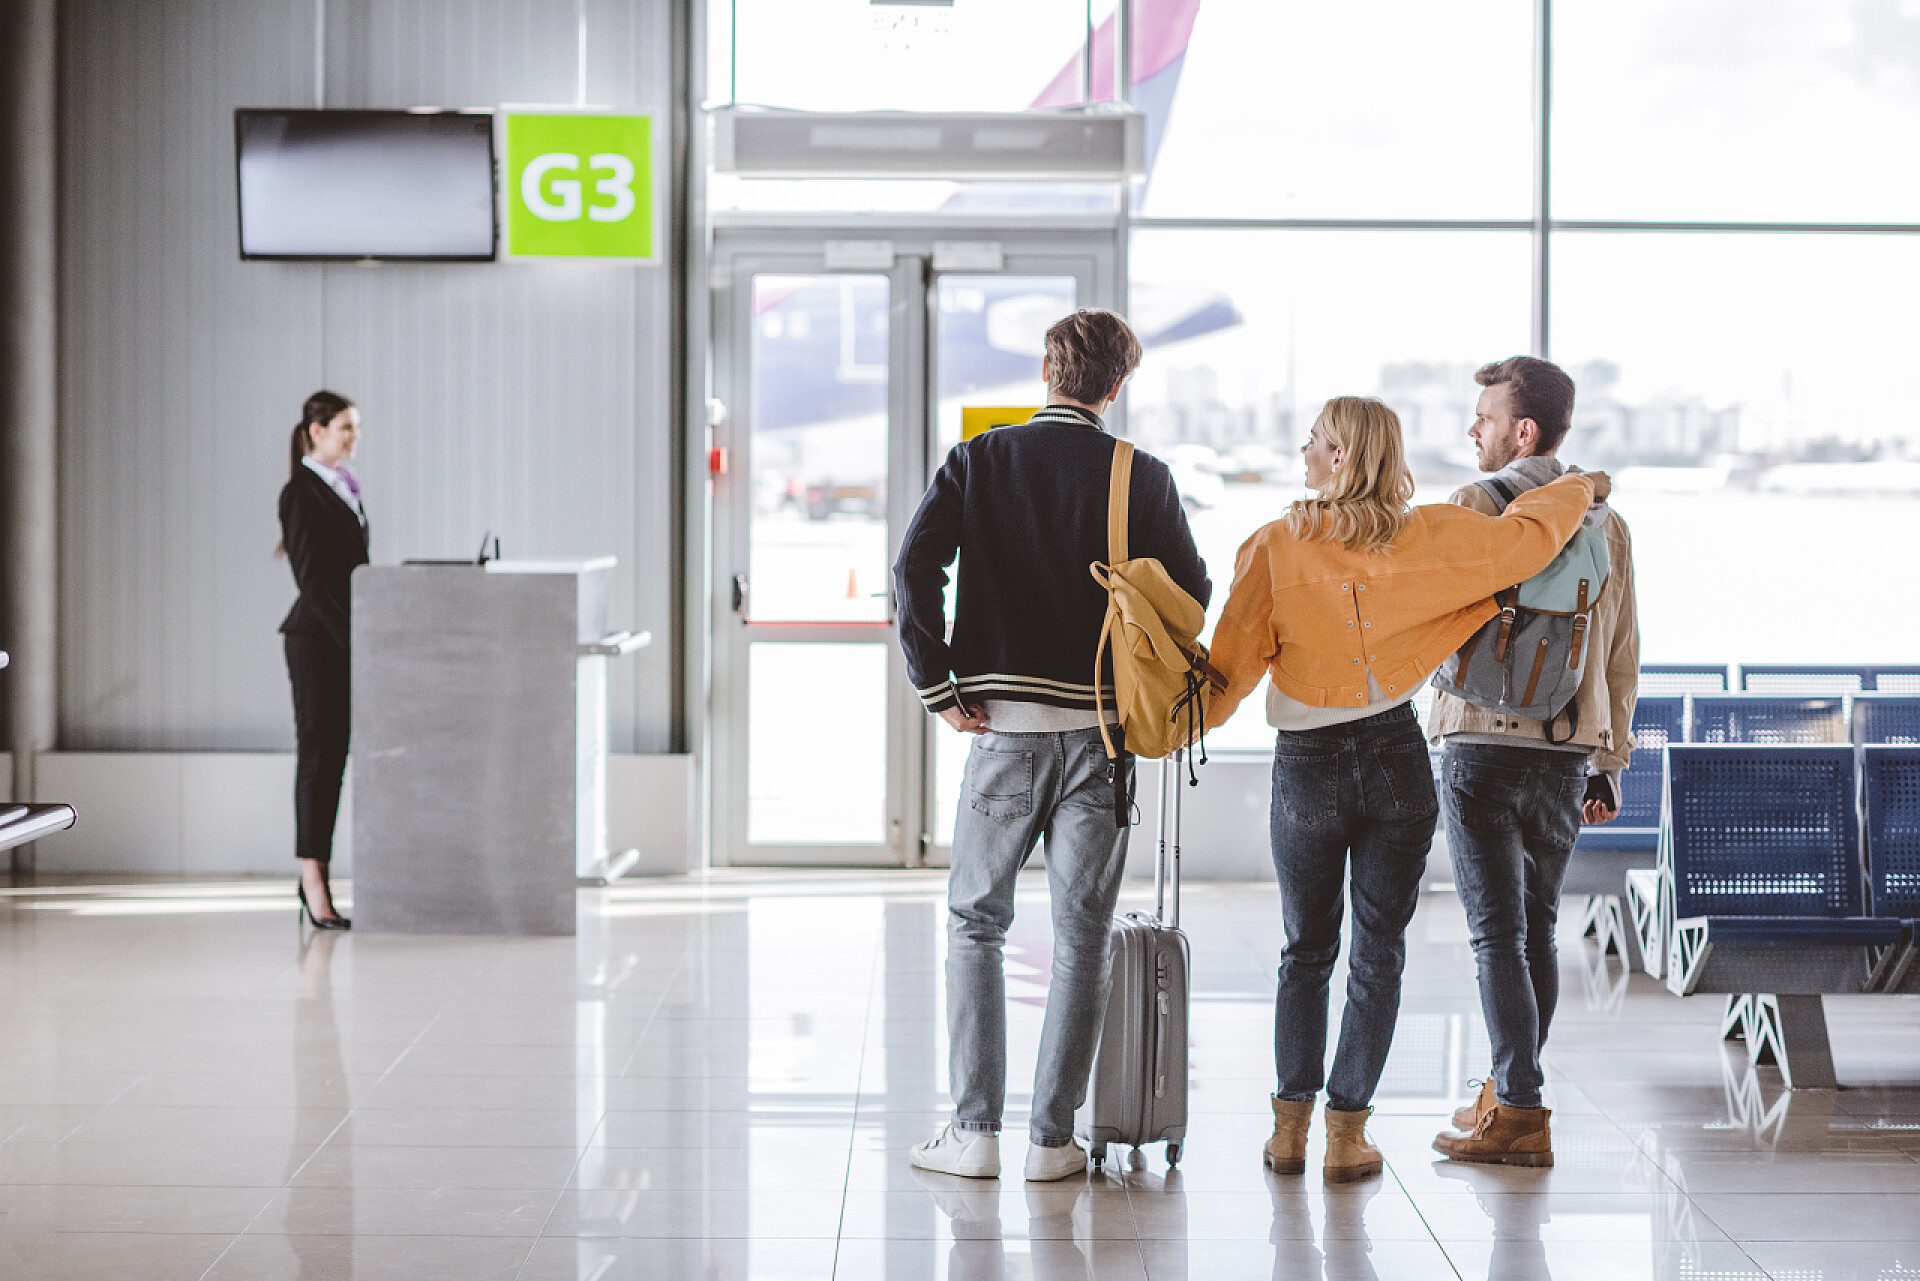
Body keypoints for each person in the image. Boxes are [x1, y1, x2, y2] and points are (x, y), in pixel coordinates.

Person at [1203, 396, 1606, 1183]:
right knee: (1377, 953)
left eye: (1315, 442)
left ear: (1343, 458)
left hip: (1308, 762)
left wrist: (1156, 727)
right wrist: (1579, 486)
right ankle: (1347, 1137)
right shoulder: (1428, 536)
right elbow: (1526, 540)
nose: (1303, 452)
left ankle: (1290, 1130)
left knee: (1304, 950)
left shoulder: (1274, 546)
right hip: (1396, 755)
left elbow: (1226, 676)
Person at [893, 309, 1209, 1182]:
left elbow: (914, 567)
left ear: (1046, 370)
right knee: (1084, 935)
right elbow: (1192, 591)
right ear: (1114, 387)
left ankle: (973, 1133)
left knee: (975, 925)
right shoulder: (1138, 476)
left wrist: (941, 683)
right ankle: (1050, 1141)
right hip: (1103, 739)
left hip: (1000, 733)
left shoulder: (980, 459)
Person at [1428, 357, 1639, 1168]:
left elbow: (1434, 621)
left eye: (1483, 415)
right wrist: (1607, 758)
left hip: (1478, 742)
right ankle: (1509, 1090)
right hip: (1561, 750)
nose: (1471, 429)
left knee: (1495, 935)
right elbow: (1621, 651)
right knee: (1535, 931)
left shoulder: (1473, 505)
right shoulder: (1607, 522)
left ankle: (1518, 1107)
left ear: (1523, 430)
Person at [278, 390, 367, 931]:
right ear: (316, 431)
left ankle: (318, 875)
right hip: (318, 642)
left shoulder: (343, 486)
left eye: (355, 428)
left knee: (333, 760)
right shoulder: (301, 492)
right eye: (345, 428)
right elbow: (312, 582)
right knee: (319, 759)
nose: (353, 438)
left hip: (342, 640)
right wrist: (353, 641)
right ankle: (313, 879)